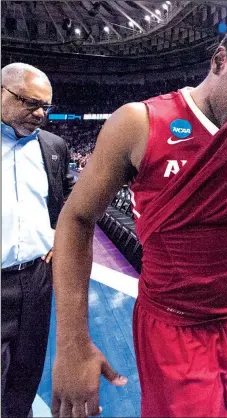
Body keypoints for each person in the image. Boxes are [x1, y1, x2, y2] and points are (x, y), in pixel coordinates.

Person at [51, 18, 227, 418]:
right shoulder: (139, 123)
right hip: (174, 329)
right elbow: (77, 219)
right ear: (219, 61)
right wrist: (72, 342)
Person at [1, 63, 75, 417]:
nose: (40, 114)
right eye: (31, 103)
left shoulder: (54, 146)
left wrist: (60, 237)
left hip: (36, 280)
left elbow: (71, 204)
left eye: (47, 106)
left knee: (26, 372)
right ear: (3, 92)